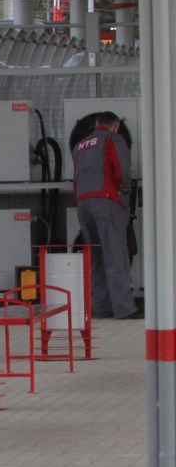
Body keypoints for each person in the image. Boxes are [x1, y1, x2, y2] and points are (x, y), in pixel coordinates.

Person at [73, 111, 141, 318]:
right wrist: (126, 189)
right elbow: (121, 170)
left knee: (97, 258)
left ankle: (101, 308)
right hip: (106, 200)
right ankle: (124, 309)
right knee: (115, 256)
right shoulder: (113, 138)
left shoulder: (79, 145)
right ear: (114, 125)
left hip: (82, 204)